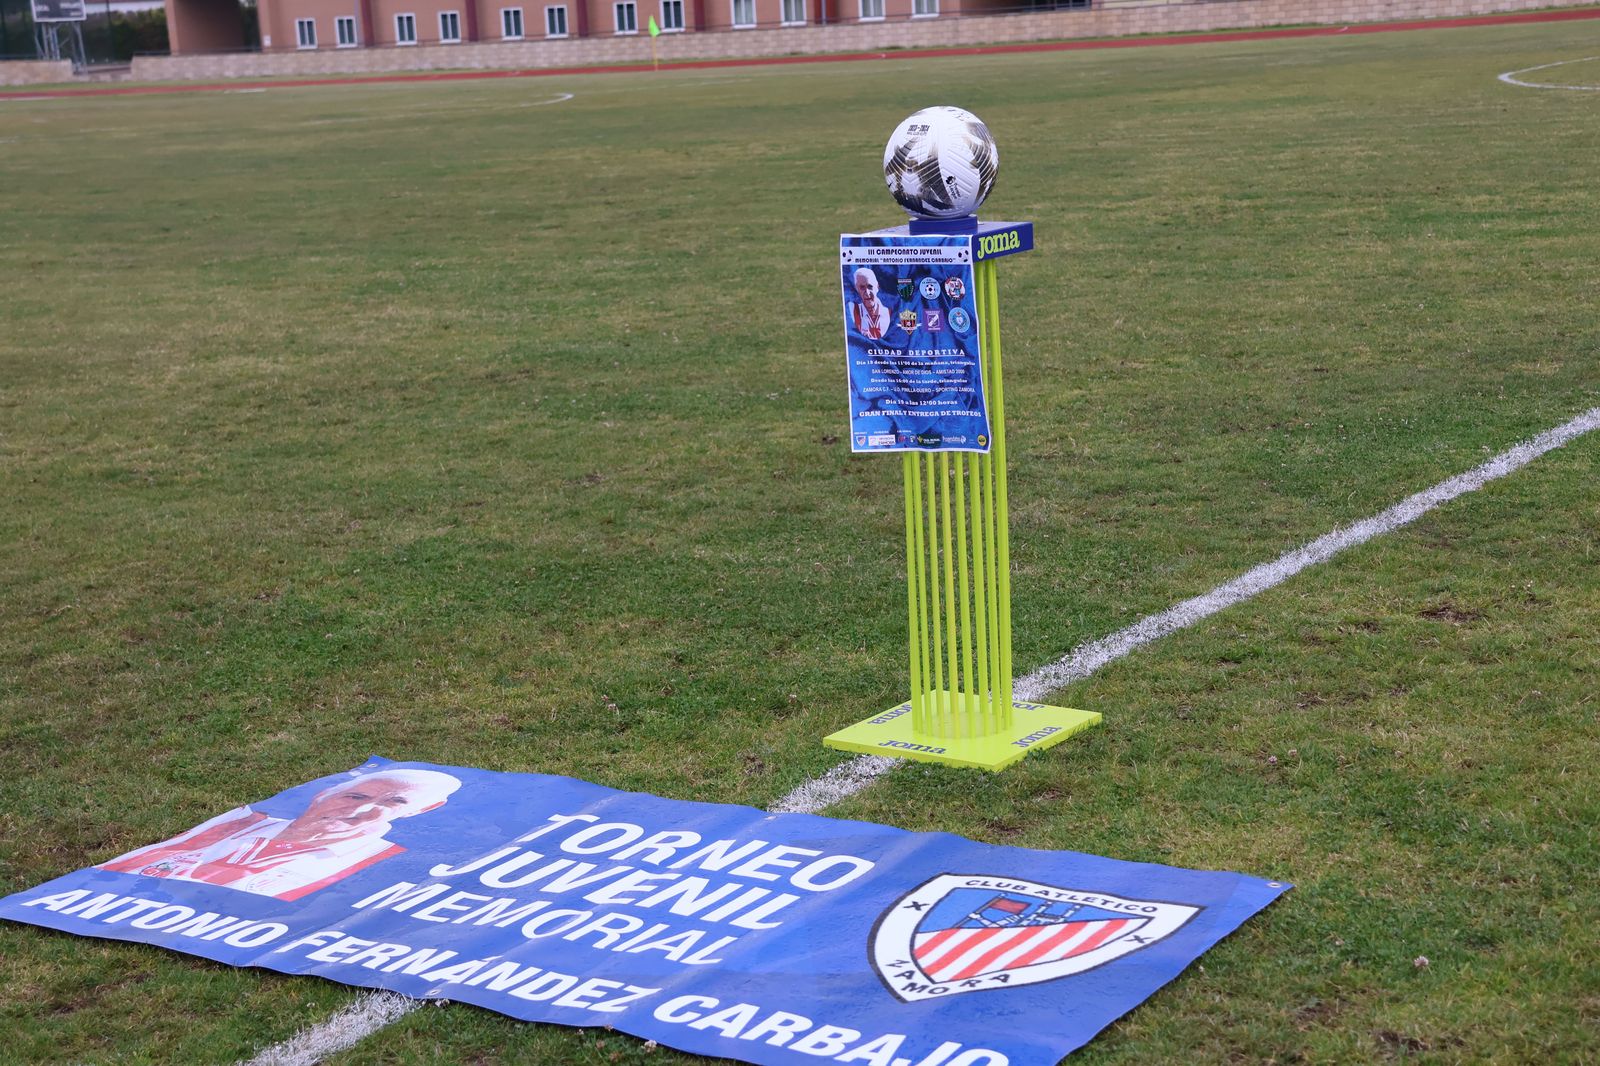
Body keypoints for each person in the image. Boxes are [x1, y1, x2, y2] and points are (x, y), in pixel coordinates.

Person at [99, 768, 461, 901]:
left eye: (393, 801)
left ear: (419, 811)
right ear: (323, 794)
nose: (361, 809)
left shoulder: (373, 863)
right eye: (355, 795)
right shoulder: (239, 825)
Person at [849, 267, 892, 340]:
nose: (867, 293)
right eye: (862, 287)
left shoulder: (890, 312)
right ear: (857, 289)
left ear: (877, 287)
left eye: (870, 287)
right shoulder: (853, 311)